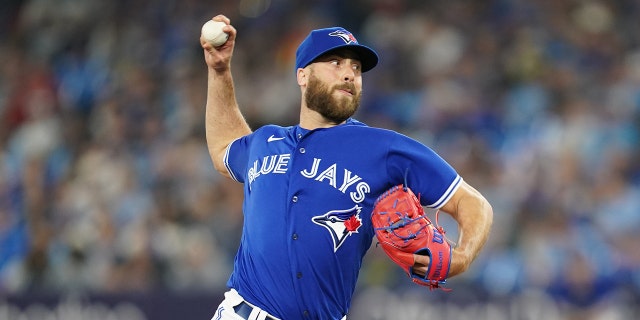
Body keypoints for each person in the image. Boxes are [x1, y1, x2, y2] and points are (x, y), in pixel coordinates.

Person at [201, 14, 493, 320]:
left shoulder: (383, 148)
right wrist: (219, 71)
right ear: (303, 75)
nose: (349, 74)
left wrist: (462, 256)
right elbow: (223, 147)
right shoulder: (266, 141)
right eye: (335, 63)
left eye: (356, 67)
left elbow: (473, 203)